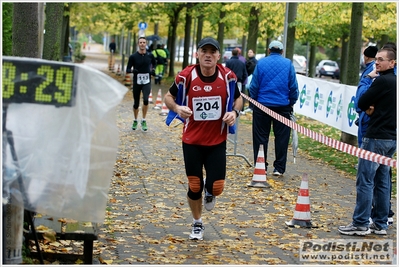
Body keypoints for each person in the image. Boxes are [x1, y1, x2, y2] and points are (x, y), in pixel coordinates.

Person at [163, 37, 243, 240]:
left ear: (218, 55)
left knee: (217, 187)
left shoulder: (227, 76)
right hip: (192, 140)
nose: (208, 55)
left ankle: (210, 188)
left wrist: (234, 112)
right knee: (194, 185)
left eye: (212, 51)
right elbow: (168, 97)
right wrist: (177, 108)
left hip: (217, 140)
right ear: (197, 54)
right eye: (204, 51)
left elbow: (238, 98)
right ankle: (197, 223)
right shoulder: (186, 76)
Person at [338, 47, 396, 236]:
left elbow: (360, 102)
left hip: (375, 137)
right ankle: (380, 223)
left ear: (392, 63)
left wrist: (368, 79)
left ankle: (361, 222)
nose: (377, 63)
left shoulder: (381, 81)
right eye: (376, 59)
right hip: (391, 139)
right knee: (382, 181)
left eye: (381, 60)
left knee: (365, 180)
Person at [249, 40, 299, 177]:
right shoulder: (288, 64)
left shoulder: (261, 63)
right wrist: (291, 102)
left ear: (268, 50)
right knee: (282, 138)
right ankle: (279, 168)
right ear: (282, 51)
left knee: (260, 137)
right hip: (283, 106)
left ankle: (261, 166)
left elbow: (253, 85)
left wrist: (254, 101)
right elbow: (293, 87)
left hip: (262, 105)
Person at [126, 37, 157, 131]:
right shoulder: (133, 56)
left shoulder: (150, 55)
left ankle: (143, 120)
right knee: (136, 103)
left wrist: (153, 70)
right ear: (138, 44)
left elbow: (154, 63)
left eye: (144, 42)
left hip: (146, 81)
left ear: (146, 44)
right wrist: (132, 71)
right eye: (140, 42)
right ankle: (135, 120)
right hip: (137, 81)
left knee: (146, 100)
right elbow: (127, 69)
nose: (142, 44)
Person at [354, 45, 378, 148]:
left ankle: (363, 163)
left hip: (366, 112)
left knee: (364, 144)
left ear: (366, 56)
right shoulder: (371, 68)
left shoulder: (372, 69)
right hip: (365, 111)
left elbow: (365, 91)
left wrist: (361, 108)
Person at [226, 48, 248, 114]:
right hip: (239, 81)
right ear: (238, 54)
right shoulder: (242, 63)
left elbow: (226, 72)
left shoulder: (228, 62)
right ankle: (239, 109)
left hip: (229, 82)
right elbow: (245, 73)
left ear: (232, 54)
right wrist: (242, 81)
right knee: (238, 96)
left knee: (230, 95)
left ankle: (230, 108)